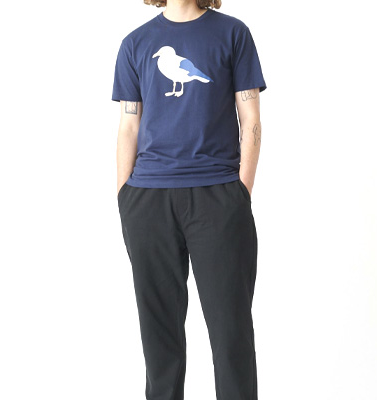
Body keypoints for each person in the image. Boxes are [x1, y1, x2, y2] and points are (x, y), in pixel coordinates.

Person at [112, 0, 266, 399]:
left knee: (231, 334)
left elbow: (250, 117)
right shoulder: (135, 43)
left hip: (218, 197)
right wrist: (125, 195)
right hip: (147, 200)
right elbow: (129, 124)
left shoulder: (232, 33)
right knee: (159, 340)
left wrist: (240, 192)